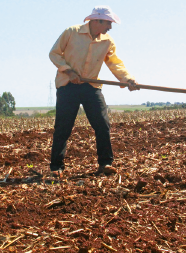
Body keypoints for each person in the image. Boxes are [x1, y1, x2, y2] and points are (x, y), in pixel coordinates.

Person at [49, 5, 139, 177]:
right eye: (108, 23)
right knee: (63, 127)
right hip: (67, 85)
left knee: (102, 124)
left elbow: (115, 63)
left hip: (91, 87)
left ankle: (105, 164)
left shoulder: (107, 41)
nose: (110, 27)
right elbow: (54, 54)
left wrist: (128, 79)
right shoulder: (71, 32)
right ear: (97, 20)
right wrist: (68, 70)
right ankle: (56, 168)